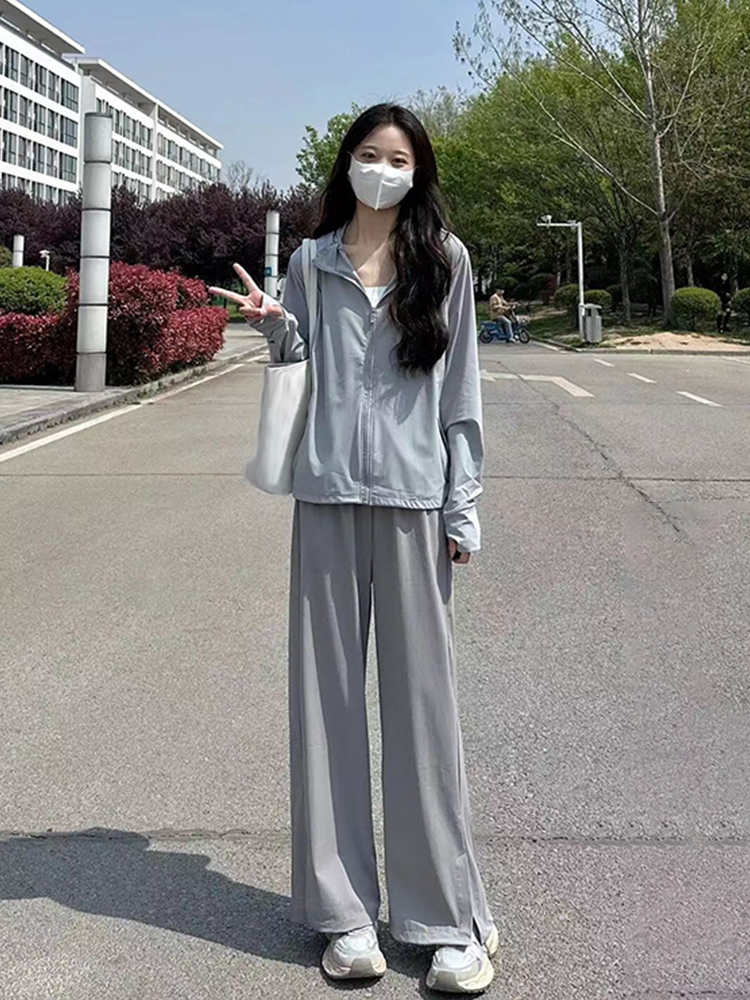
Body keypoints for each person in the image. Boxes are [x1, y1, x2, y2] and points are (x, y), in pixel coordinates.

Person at [209, 104, 497, 994]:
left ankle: (445, 919)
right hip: (328, 499)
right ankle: (345, 916)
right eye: (369, 155)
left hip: (414, 503)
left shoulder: (444, 260)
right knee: (326, 707)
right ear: (347, 165)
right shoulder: (312, 261)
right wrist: (275, 324)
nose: (383, 169)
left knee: (424, 714)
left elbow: (461, 391)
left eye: (398, 158)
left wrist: (462, 508)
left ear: (418, 172)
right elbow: (300, 366)